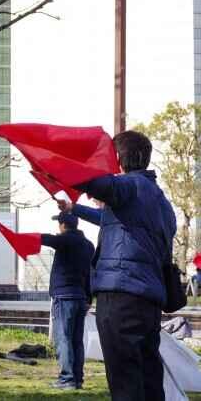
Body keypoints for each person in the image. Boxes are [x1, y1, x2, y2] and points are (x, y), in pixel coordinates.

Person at [59, 130, 177, 401]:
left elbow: (102, 186)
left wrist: (65, 164)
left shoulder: (129, 187)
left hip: (121, 297)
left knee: (124, 379)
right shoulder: (159, 201)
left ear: (118, 161)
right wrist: (73, 208)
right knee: (148, 377)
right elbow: (110, 220)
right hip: (149, 300)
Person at [42, 212, 95, 391]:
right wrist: (89, 297)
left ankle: (66, 379)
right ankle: (77, 379)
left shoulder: (65, 240)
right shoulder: (88, 245)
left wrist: (22, 237)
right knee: (76, 340)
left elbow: (46, 239)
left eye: (59, 223)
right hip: (81, 297)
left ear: (63, 225)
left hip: (64, 297)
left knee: (63, 339)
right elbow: (90, 273)